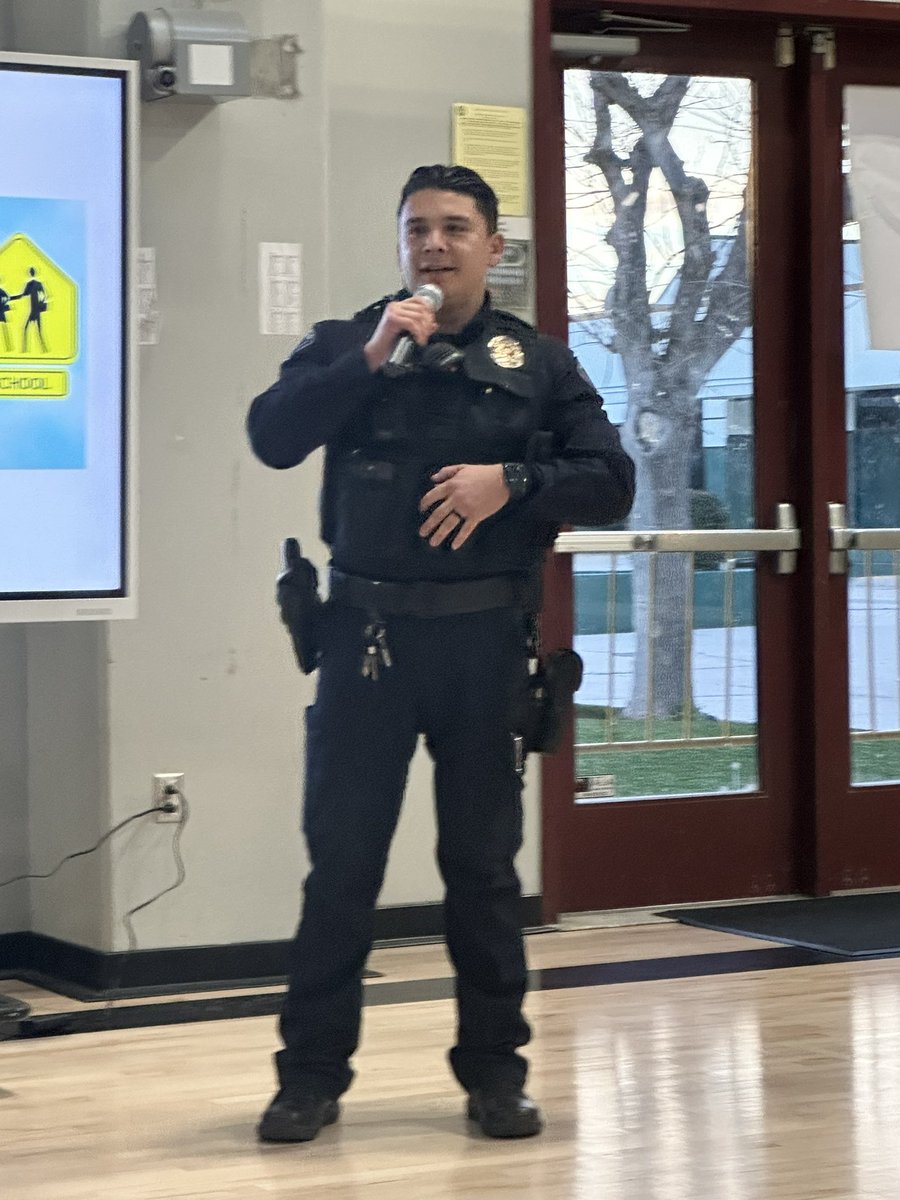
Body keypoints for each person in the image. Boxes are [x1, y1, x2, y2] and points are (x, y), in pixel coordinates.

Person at [247, 164, 635, 1144]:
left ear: (493, 248)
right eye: (418, 228)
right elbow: (272, 436)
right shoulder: (352, 341)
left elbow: (610, 482)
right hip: (364, 643)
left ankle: (496, 1075)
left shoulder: (540, 362)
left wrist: (513, 480)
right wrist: (371, 357)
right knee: (340, 870)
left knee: (483, 872)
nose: (434, 245)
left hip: (482, 646)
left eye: (456, 228)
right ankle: (309, 1079)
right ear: (400, 243)